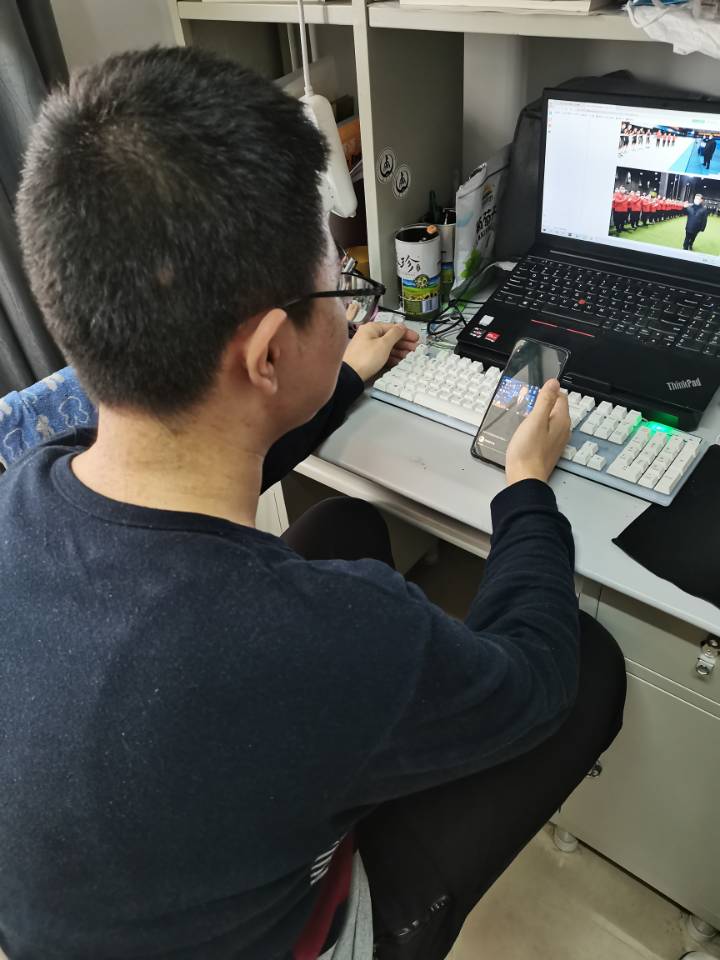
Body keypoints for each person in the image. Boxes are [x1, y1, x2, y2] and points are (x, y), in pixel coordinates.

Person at [0, 47, 625, 960]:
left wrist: (340, 380)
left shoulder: (27, 487)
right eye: (339, 288)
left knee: (347, 528)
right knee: (586, 663)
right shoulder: (321, 635)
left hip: (97, 907)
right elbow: (534, 679)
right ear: (266, 354)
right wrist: (527, 486)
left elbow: (213, 451)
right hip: (287, 942)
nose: (348, 309)